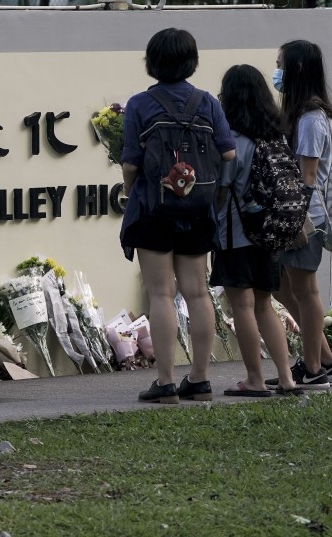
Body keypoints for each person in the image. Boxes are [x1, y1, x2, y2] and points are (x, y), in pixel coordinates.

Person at [120, 28, 236, 404]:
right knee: (198, 291)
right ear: (191, 61)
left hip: (154, 209)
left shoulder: (139, 104)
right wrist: (211, 194)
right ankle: (200, 379)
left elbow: (130, 164)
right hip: (199, 209)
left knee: (160, 293)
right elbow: (229, 156)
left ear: (151, 62)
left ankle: (166, 382)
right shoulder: (208, 103)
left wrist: (128, 190)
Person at [211, 64, 299, 396]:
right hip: (272, 234)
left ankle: (255, 380)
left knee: (243, 307)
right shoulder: (276, 136)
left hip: (237, 234)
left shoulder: (233, 140)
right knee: (265, 306)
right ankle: (287, 378)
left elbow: (223, 188)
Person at [268, 40, 332, 390]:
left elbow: (308, 176)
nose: (277, 71)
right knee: (286, 287)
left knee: (305, 290)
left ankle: (313, 368)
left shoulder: (313, 119)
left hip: (305, 220)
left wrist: (293, 216)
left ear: (297, 69)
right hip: (296, 216)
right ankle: (327, 360)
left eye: (281, 64)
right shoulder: (303, 115)